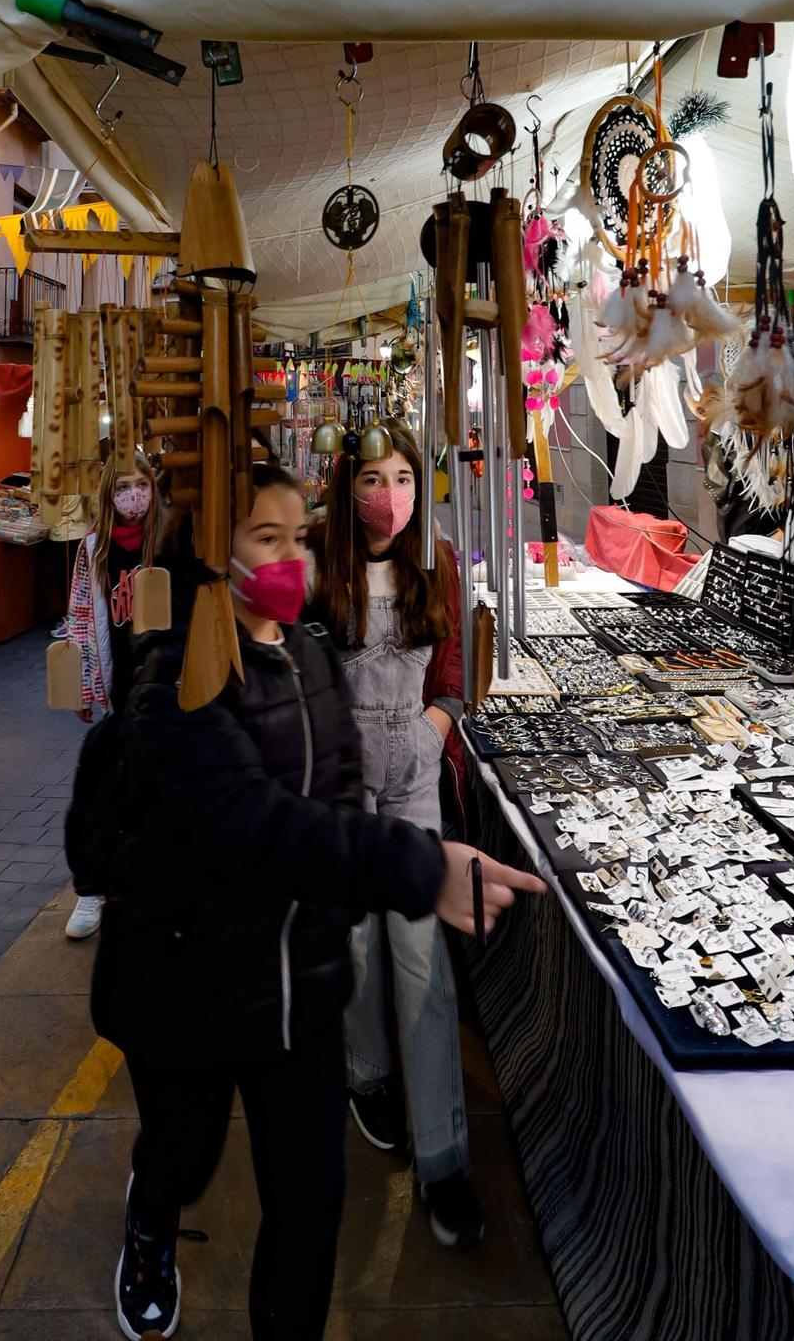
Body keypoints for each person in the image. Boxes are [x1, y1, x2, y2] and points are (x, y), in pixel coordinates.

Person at [92, 464, 542, 1340]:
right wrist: (421, 869)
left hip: (297, 990)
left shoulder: (305, 654)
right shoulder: (171, 676)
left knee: (307, 1207)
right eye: (269, 538)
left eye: (300, 537)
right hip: (186, 984)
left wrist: (389, 843)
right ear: (211, 550)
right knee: (181, 1157)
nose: (293, 558)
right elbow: (252, 825)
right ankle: (149, 1224)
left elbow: (333, 799)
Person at [309, 421, 482, 1247]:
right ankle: (366, 1075)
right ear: (347, 489)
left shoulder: (436, 563)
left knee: (422, 961)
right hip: (341, 793)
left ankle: (445, 1157)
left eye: (405, 478)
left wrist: (435, 725)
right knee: (356, 946)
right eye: (373, 480)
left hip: (415, 785)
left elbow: (456, 669)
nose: (392, 497)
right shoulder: (317, 568)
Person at [61, 453, 158, 941]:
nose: (134, 494)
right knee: (106, 789)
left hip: (163, 684)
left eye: (142, 483)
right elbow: (80, 614)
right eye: (124, 485)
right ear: (107, 491)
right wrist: (82, 685)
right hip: (120, 683)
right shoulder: (94, 548)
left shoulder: (166, 541)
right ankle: (93, 889)